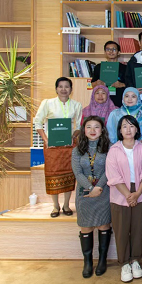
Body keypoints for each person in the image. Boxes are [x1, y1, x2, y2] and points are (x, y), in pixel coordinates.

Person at [106, 115, 142, 283]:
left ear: (137, 129)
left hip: (139, 191)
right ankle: (124, 263)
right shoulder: (114, 150)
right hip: (119, 194)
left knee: (137, 229)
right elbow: (113, 175)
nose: (128, 129)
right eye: (124, 126)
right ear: (119, 130)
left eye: (131, 126)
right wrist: (128, 195)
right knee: (122, 230)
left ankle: (135, 260)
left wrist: (137, 194)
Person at [33, 76, 82, 218]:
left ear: (71, 89)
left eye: (67, 86)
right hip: (52, 146)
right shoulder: (47, 103)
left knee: (69, 175)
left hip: (69, 146)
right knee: (52, 174)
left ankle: (66, 205)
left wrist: (73, 136)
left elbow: (79, 125)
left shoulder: (76, 105)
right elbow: (37, 122)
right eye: (60, 86)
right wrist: (46, 140)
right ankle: (55, 206)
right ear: (56, 89)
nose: (63, 89)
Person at [72, 116, 112, 278]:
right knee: (86, 226)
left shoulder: (109, 148)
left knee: (104, 225)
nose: (93, 130)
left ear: (102, 130)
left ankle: (102, 260)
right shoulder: (77, 150)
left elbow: (109, 170)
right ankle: (87, 262)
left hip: (104, 192)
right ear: (84, 130)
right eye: (89, 127)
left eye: (96, 127)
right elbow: (77, 172)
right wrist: (90, 188)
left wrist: (98, 187)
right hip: (84, 193)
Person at [91, 41, 127, 107]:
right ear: (105, 52)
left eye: (114, 49)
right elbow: (93, 84)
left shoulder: (125, 68)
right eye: (108, 49)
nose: (111, 51)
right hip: (102, 100)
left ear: (118, 52)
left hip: (119, 100)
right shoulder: (98, 67)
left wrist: (121, 84)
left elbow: (130, 85)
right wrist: (97, 83)